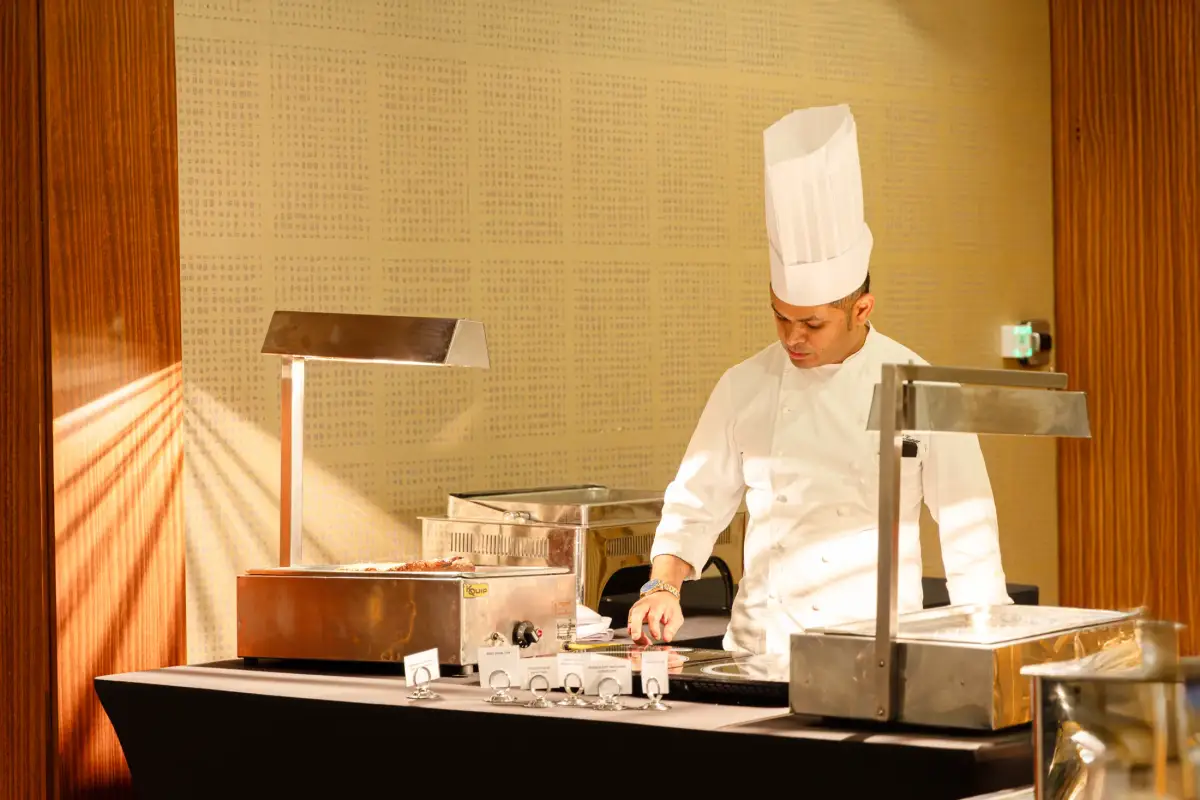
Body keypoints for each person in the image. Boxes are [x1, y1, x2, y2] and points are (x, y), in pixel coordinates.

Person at [628, 104, 1013, 655]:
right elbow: (695, 503)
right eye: (780, 316)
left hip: (872, 651)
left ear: (862, 309)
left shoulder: (920, 387)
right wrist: (663, 586)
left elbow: (967, 527)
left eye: (812, 323)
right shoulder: (745, 384)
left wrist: (986, 643)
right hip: (759, 650)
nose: (793, 337)